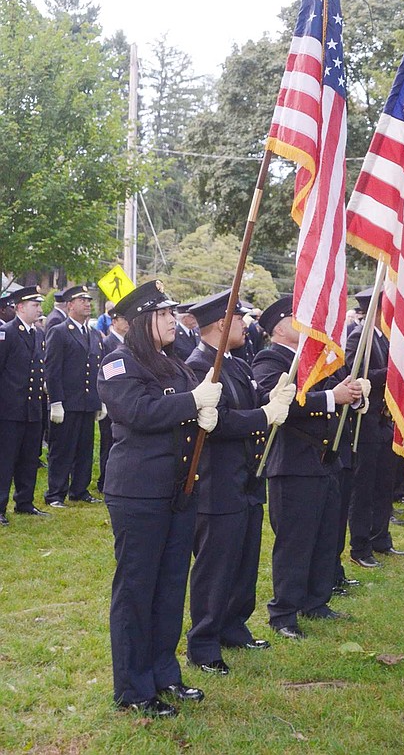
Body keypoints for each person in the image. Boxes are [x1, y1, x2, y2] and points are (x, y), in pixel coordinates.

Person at [97, 279, 223, 717]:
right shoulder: (119, 363)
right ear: (143, 320)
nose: (174, 320)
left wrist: (203, 409)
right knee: (137, 589)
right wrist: (192, 402)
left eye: (173, 314)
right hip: (138, 493)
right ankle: (133, 690)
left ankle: (164, 674)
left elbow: (184, 409)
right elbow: (138, 412)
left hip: (179, 491)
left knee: (170, 587)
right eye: (165, 314)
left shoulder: (176, 365)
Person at [184, 290, 295, 675]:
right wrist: (265, 414)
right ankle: (203, 643)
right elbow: (221, 421)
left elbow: (251, 399)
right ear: (219, 324)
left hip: (245, 478)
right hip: (216, 483)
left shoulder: (234, 362)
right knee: (216, 567)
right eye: (239, 319)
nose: (247, 326)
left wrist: (273, 396)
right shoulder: (200, 367)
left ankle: (233, 625)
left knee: (244, 560)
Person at [252, 295, 363, 639]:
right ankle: (283, 612)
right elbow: (277, 400)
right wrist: (333, 398)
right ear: (281, 328)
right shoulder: (269, 359)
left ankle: (316, 600)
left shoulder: (315, 360)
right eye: (297, 321)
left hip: (325, 459)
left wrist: (353, 393)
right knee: (295, 541)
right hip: (294, 462)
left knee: (325, 534)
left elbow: (332, 390)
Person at [346, 288, 404, 567]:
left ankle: (381, 538)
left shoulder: (384, 338)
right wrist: (392, 372)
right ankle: (360, 546)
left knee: (384, 482)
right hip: (365, 421)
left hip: (384, 418)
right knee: (364, 486)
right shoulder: (361, 336)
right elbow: (354, 375)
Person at [44, 285, 106, 507]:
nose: (87, 303)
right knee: (62, 450)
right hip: (67, 402)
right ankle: (55, 493)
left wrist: (99, 400)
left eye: (89, 300)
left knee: (84, 449)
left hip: (86, 402)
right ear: (70, 305)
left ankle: (79, 490)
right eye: (82, 300)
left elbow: (96, 368)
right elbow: (52, 369)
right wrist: (56, 401)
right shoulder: (60, 331)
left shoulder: (93, 333)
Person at [0, 287, 49, 525]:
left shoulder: (38, 334)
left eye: (39, 305)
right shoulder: (6, 332)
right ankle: (0, 507)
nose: (40, 310)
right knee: (5, 459)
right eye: (35, 305)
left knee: (29, 458)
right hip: (9, 409)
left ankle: (24, 502)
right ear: (20, 307)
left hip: (32, 408)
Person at [96, 310, 130, 493]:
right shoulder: (107, 343)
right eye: (124, 319)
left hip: (124, 398)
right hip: (110, 399)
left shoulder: (128, 343)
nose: (127, 323)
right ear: (114, 321)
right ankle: (104, 480)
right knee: (107, 442)